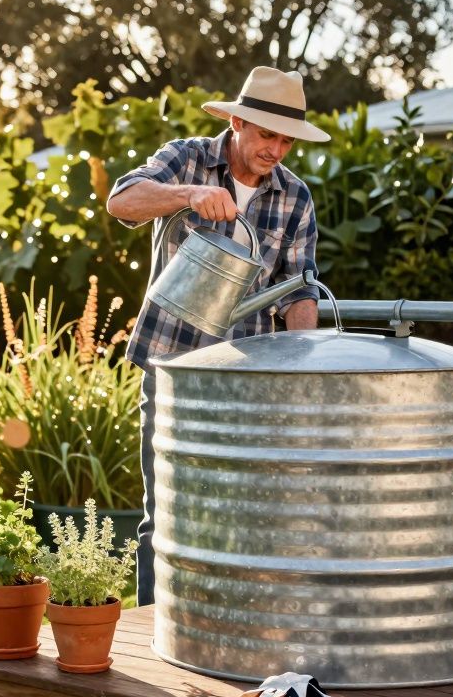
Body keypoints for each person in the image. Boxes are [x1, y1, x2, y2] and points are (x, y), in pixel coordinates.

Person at [105, 66, 331, 606]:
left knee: (244, 514)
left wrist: (304, 367)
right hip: (173, 366)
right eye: (265, 135)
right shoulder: (186, 157)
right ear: (236, 122)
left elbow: (299, 290)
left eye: (285, 139)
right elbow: (121, 201)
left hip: (246, 374)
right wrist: (188, 194)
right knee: (165, 511)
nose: (276, 149)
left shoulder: (295, 198)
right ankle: (157, 630)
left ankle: (229, 628)